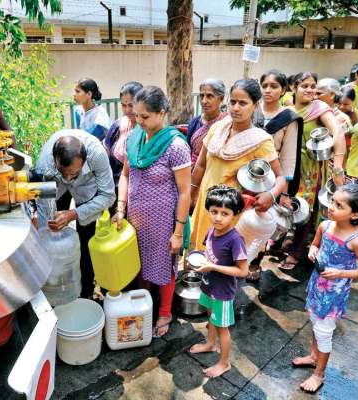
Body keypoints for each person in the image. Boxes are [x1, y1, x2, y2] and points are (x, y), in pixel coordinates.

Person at [113, 86, 191, 338]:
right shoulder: (134, 137)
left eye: (145, 117)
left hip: (163, 221)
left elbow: (184, 192)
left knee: (164, 266)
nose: (139, 121)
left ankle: (165, 312)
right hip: (135, 218)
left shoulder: (176, 146)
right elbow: (125, 175)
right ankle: (143, 304)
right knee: (138, 265)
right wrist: (120, 207)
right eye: (136, 115)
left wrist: (178, 232)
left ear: (162, 113)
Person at [292, 184, 358, 394]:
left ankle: (318, 374)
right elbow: (315, 244)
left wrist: (340, 273)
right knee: (314, 320)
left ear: (355, 214)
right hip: (317, 285)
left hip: (333, 293)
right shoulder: (325, 225)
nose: (331, 206)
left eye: (339, 205)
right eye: (332, 201)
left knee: (324, 331)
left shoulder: (356, 240)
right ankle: (313, 356)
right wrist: (313, 250)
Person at [190, 79, 287, 255]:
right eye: (233, 102)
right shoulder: (217, 129)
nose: (235, 108)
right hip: (206, 205)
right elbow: (201, 165)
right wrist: (190, 194)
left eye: (242, 103)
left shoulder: (260, 140)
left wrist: (270, 195)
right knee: (199, 256)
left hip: (232, 212)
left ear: (255, 105)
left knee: (223, 262)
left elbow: (280, 178)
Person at [34, 129, 116, 298]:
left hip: (87, 187)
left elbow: (108, 196)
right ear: (55, 161)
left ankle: (86, 290)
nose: (68, 178)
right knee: (52, 229)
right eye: (63, 172)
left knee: (86, 240)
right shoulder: (45, 165)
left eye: (73, 173)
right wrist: (46, 239)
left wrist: (74, 213)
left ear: (84, 162)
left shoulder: (97, 154)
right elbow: (43, 208)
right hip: (55, 187)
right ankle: (56, 286)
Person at [284, 72, 346, 270]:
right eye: (304, 86)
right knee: (284, 202)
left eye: (313, 86)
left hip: (309, 167)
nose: (310, 90)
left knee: (304, 208)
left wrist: (337, 165)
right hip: (286, 164)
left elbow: (338, 132)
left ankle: (296, 251)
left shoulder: (319, 108)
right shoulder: (287, 106)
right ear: (293, 88)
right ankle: (280, 240)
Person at [188, 185, 248, 378]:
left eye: (225, 213)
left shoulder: (235, 240)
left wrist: (213, 267)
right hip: (208, 285)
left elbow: (242, 270)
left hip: (223, 292)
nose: (218, 217)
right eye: (214, 212)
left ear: (235, 215)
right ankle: (210, 343)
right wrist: (196, 261)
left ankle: (224, 363)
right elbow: (207, 254)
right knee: (210, 316)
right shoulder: (211, 231)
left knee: (223, 328)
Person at [249, 69, 303, 280]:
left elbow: (289, 158)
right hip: (245, 174)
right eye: (265, 86)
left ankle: (254, 262)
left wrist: (285, 192)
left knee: (262, 223)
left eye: (274, 86)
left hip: (272, 179)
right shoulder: (252, 111)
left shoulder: (289, 118)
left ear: (284, 90)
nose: (268, 90)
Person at [104, 81, 143, 192]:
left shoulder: (148, 129)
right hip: (115, 187)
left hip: (138, 190)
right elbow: (105, 152)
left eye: (131, 105)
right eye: (123, 105)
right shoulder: (117, 126)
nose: (127, 110)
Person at [187, 79, 228, 165]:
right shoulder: (194, 122)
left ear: (221, 98)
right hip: (193, 170)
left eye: (209, 96)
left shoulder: (226, 123)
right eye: (202, 96)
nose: (204, 101)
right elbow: (188, 151)